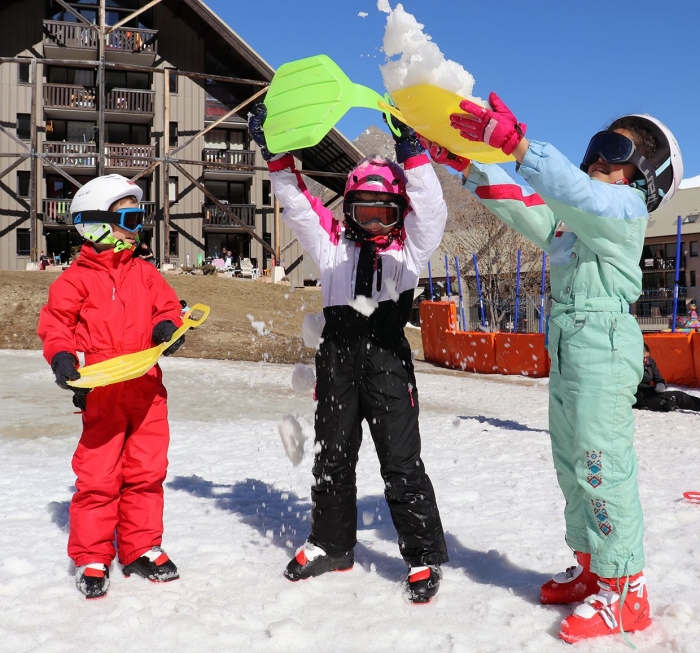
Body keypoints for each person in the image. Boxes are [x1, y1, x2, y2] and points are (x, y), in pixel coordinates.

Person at [424, 94, 682, 641]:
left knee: (601, 464)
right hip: (568, 344)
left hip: (603, 346)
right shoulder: (577, 220)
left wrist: (519, 145)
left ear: (646, 178)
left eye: (615, 153)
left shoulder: (625, 212)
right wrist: (467, 166)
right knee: (572, 463)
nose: (597, 160)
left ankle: (626, 590)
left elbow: (573, 190)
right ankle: (593, 567)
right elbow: (525, 203)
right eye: (596, 148)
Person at [248, 104, 449, 603]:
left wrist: (413, 153)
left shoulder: (410, 250)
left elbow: (434, 211)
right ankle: (330, 543)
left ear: (400, 213)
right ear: (349, 211)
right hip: (337, 359)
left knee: (401, 462)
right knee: (332, 457)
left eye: (386, 214)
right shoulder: (332, 247)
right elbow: (297, 205)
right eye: (364, 213)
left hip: (386, 361)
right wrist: (276, 157)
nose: (375, 224)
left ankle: (422, 554)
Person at [37, 174, 185, 600]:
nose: (137, 227)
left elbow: (168, 308)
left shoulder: (145, 272)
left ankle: (141, 547)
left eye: (139, 218)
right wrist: (62, 356)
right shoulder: (74, 280)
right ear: (96, 224)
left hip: (146, 391)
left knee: (146, 471)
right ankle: (92, 554)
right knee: (98, 476)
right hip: (101, 391)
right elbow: (56, 325)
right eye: (129, 218)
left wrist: (165, 329)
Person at [635, 343, 700, 412]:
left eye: (647, 357)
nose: (645, 360)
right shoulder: (630, 366)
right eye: (643, 358)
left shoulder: (650, 363)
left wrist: (661, 384)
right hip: (637, 394)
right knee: (666, 402)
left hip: (650, 391)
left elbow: (658, 378)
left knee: (680, 396)